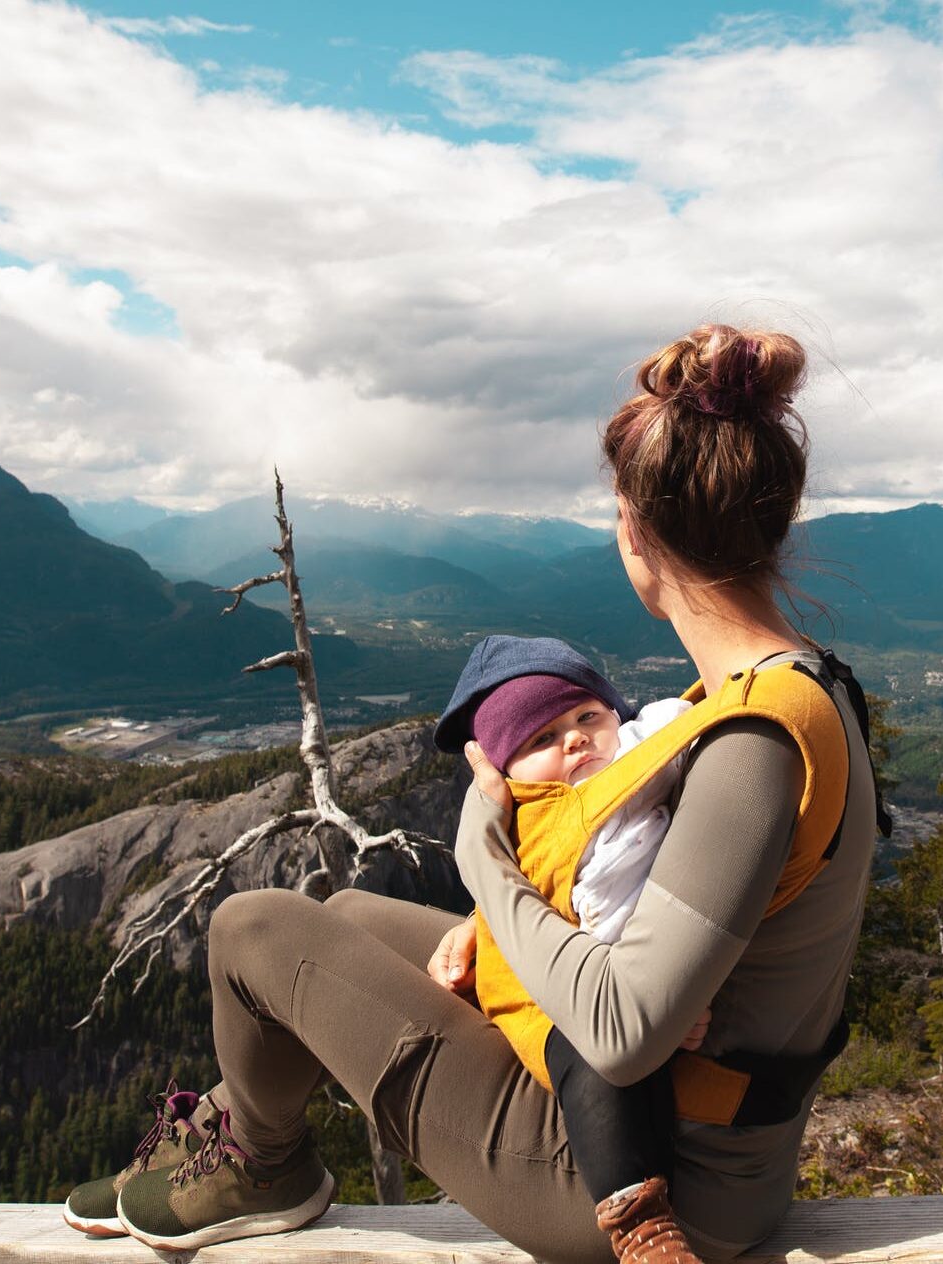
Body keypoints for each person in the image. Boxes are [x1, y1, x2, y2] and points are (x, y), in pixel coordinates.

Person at [65, 323, 880, 1264]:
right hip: (697, 1134)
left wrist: (485, 863)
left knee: (254, 928)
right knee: (353, 918)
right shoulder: (797, 688)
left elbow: (619, 1032)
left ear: (635, 530)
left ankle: (263, 1161)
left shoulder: (751, 744)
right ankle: (231, 1135)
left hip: (650, 1183)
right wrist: (504, 926)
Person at [427, 634, 705, 1257]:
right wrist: (478, 920)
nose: (575, 739)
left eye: (587, 717)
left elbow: (682, 721)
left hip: (644, 973)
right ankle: (640, 1225)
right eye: (541, 739)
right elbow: (530, 895)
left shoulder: (644, 758)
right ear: (506, 772)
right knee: (596, 1067)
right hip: (547, 995)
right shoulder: (534, 819)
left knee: (638, 1066)